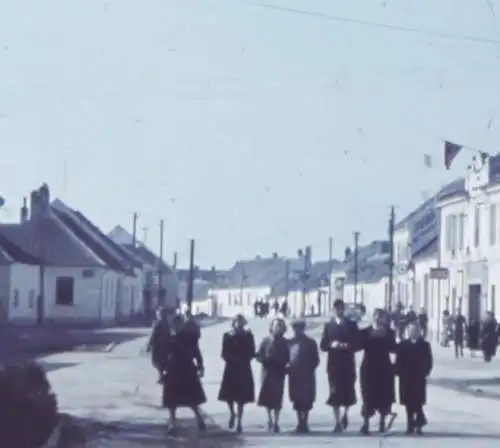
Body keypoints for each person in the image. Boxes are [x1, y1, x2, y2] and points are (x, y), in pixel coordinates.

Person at [162, 315, 207, 435]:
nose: (176, 327)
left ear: (182, 325)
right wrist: (162, 370)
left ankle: (199, 418)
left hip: (187, 369)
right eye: (175, 324)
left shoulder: (189, 338)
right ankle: (172, 423)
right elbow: (164, 355)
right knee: (171, 399)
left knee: (191, 398)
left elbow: (197, 352)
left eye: (179, 324)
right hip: (173, 370)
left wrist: (201, 366)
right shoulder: (170, 338)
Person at [320, 299, 360, 432]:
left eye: (341, 308)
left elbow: (357, 344)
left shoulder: (351, 325)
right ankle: (337, 421)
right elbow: (323, 345)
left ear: (344, 309)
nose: (339, 311)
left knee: (348, 391)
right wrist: (332, 345)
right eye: (337, 309)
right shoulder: (329, 326)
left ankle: (345, 414)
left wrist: (347, 345)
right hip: (333, 365)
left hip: (348, 363)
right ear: (333, 310)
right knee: (334, 393)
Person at [359, 309, 396, 435]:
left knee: (384, 396)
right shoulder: (365, 332)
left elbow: (393, 349)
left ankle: (382, 422)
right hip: (368, 368)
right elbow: (358, 345)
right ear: (373, 317)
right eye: (376, 316)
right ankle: (366, 424)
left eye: (381, 317)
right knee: (367, 396)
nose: (379, 319)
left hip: (384, 368)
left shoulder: (389, 332)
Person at [218, 314, 256, 433]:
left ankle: (239, 421)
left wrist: (245, 358)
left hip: (244, 368)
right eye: (236, 322)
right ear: (233, 323)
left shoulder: (248, 335)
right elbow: (224, 353)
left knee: (241, 397)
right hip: (231, 367)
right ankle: (232, 413)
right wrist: (232, 359)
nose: (239, 324)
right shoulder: (227, 336)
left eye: (241, 322)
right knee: (229, 394)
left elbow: (251, 351)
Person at [395, 322, 433, 435]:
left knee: (418, 402)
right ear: (408, 331)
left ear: (420, 331)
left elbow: (429, 360)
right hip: (406, 378)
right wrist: (398, 371)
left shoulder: (424, 345)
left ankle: (419, 424)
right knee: (408, 403)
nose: (413, 332)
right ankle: (410, 425)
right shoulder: (403, 344)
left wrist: (425, 371)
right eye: (411, 330)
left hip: (419, 377)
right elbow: (398, 360)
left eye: (416, 330)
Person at [256, 318, 289, 433]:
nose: (278, 328)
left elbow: (289, 356)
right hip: (267, 371)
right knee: (267, 397)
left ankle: (276, 422)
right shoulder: (266, 341)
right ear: (271, 327)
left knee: (277, 397)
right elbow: (258, 354)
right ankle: (269, 419)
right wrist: (263, 360)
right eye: (276, 326)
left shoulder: (285, 342)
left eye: (280, 326)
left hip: (279, 372)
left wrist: (287, 365)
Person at [288, 319, 320, 433]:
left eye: (299, 328)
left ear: (303, 329)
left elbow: (316, 359)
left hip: (307, 375)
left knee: (307, 400)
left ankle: (305, 422)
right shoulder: (290, 342)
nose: (297, 331)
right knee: (297, 399)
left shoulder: (311, 342)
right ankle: (299, 423)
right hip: (294, 375)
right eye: (295, 328)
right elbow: (287, 358)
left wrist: (309, 368)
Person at [146, 307, 171, 383]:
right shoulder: (167, 323)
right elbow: (169, 334)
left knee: (155, 361)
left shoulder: (158, 323)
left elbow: (153, 335)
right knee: (163, 362)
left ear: (159, 314)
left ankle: (162, 376)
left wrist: (149, 345)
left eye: (158, 313)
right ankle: (163, 377)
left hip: (158, 346)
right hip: (166, 345)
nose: (157, 314)